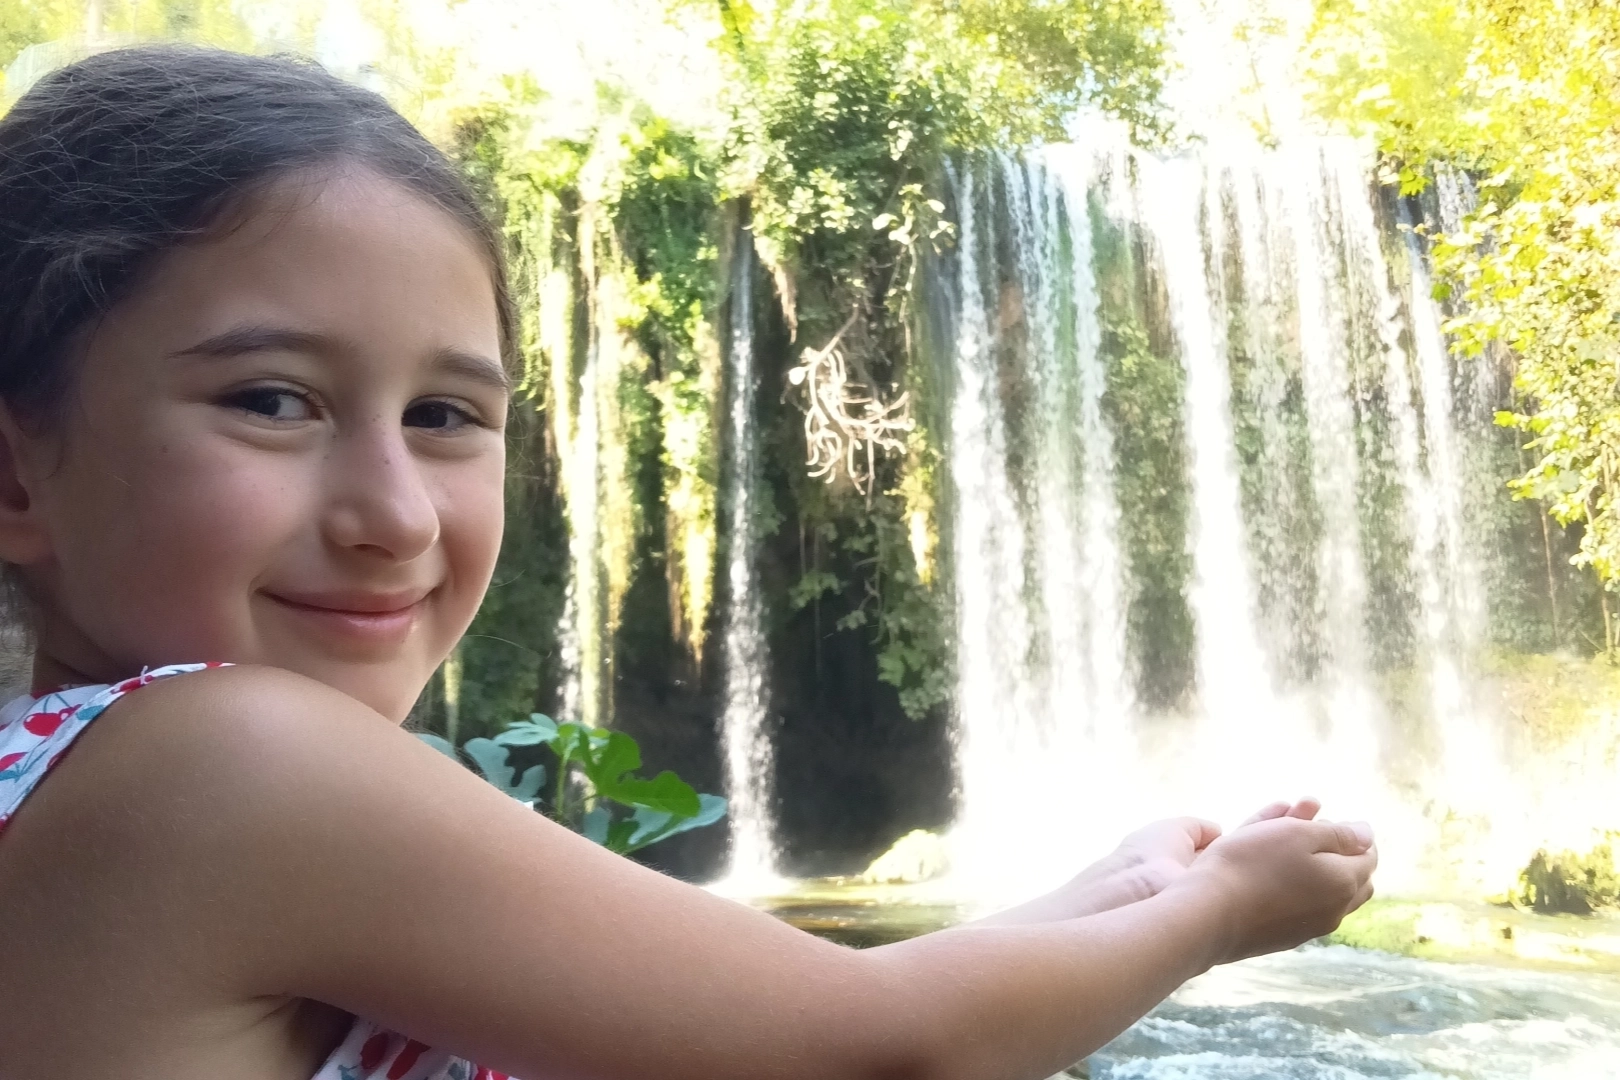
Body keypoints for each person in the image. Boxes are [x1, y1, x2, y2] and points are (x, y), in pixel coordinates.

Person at [0, 44, 1376, 1080]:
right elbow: (883, 1049)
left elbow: (782, 1010)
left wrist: (1114, 894)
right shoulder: (229, 762)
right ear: (16, 477)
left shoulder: (93, 787)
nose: (398, 515)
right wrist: (1210, 918)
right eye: (272, 401)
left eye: (446, 416)